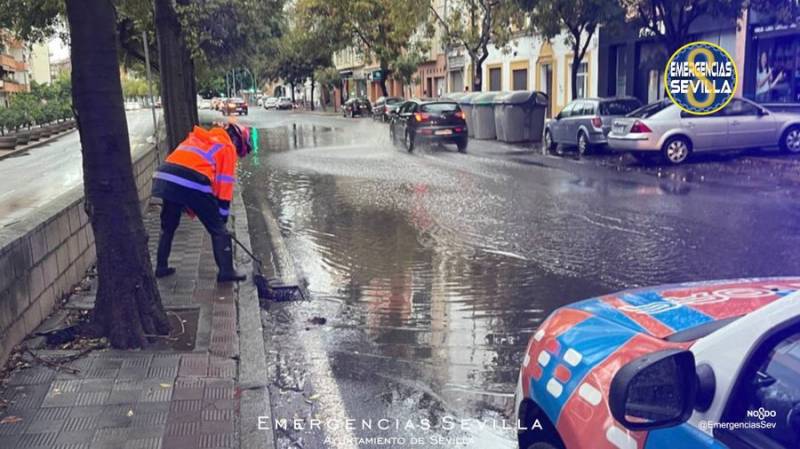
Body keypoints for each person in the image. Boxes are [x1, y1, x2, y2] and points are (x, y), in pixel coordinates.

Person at [151, 120, 252, 282]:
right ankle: (226, 271)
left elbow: (187, 165)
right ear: (238, 141)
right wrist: (221, 221)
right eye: (240, 150)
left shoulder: (199, 138)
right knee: (218, 230)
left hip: (165, 177)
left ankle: (161, 267)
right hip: (191, 180)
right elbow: (223, 188)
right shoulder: (227, 147)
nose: (238, 153)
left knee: (168, 225)